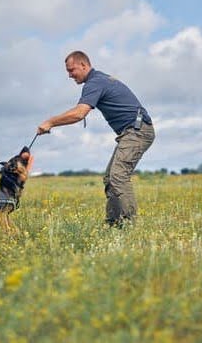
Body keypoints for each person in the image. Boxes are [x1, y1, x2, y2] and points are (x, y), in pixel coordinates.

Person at [37, 51, 155, 227]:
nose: (69, 75)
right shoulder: (99, 80)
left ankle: (130, 226)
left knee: (118, 177)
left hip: (137, 131)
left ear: (84, 65)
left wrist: (50, 122)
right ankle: (114, 224)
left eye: (71, 70)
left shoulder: (95, 82)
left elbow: (79, 113)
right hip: (132, 131)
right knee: (110, 178)